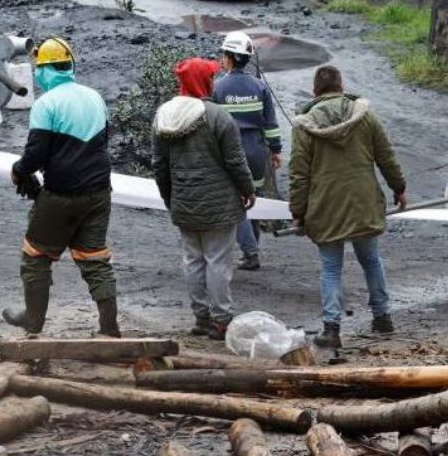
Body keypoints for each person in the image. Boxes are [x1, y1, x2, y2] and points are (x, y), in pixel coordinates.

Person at [2, 38, 120, 338]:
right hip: (99, 192)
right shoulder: (95, 97)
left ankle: (33, 320)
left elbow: (35, 154)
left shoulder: (47, 104)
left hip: (61, 195)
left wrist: (19, 171)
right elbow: (103, 141)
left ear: (45, 70)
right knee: (95, 259)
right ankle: (109, 327)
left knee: (36, 256)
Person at [290, 66, 407, 346]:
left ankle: (332, 329)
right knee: (371, 260)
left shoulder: (304, 125)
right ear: (341, 86)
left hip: (326, 206)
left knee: (331, 268)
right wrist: (399, 188)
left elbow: (299, 174)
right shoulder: (365, 116)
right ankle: (382, 317)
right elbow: (386, 156)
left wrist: (298, 211)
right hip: (363, 201)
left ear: (315, 91)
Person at [153, 58, 256, 340]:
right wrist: (248, 189)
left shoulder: (164, 116)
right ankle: (222, 320)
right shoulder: (218, 116)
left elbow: (159, 165)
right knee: (218, 261)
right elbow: (236, 161)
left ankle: (201, 318)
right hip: (219, 204)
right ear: (206, 81)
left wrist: (170, 199)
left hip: (184, 202)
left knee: (192, 260)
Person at [211, 32, 282, 271]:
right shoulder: (260, 86)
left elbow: (213, 125)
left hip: (231, 151)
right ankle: (253, 249)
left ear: (230, 58)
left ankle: (250, 253)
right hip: (256, 151)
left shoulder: (218, 87)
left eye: (224, 54)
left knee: (235, 202)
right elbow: (271, 124)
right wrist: (275, 151)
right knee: (254, 199)